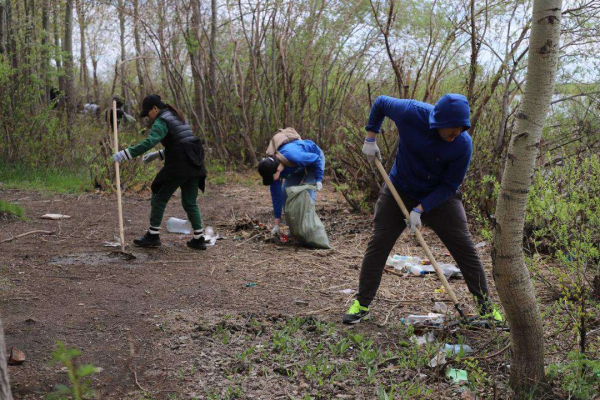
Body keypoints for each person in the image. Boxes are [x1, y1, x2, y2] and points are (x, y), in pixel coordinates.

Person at [342, 94, 502, 324]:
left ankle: (487, 310)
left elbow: (450, 185)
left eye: (461, 127)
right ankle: (361, 304)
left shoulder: (463, 144)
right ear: (438, 121)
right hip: (400, 188)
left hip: (439, 197)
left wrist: (420, 208)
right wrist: (370, 136)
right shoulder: (411, 112)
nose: (456, 132)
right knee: (379, 243)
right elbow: (379, 103)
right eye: (452, 128)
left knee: (465, 249)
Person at [112, 94, 208, 250]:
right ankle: (199, 238)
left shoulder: (162, 120)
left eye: (148, 113)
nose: (148, 117)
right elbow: (181, 142)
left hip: (180, 164)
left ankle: (153, 236)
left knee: (158, 196)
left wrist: (126, 153)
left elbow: (150, 141)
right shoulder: (177, 116)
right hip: (195, 163)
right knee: (190, 202)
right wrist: (159, 154)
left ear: (155, 109)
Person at [257, 128, 325, 237]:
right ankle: (293, 229)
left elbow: (316, 159)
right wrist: (277, 224)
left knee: (307, 194)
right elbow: (277, 196)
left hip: (313, 161)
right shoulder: (272, 172)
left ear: (277, 170)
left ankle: (308, 230)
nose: (272, 180)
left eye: (271, 178)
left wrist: (318, 180)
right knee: (285, 193)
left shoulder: (294, 156)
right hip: (296, 168)